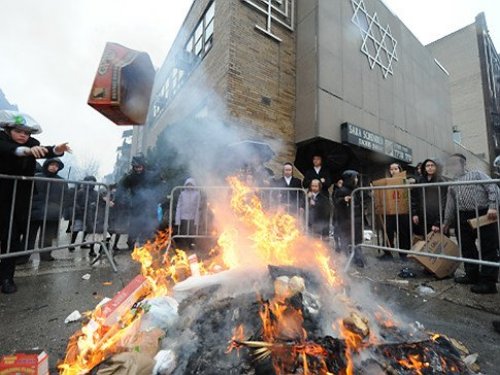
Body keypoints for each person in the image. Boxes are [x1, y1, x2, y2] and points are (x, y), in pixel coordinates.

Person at [0, 110, 70, 294]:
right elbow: (8, 150)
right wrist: (26, 151)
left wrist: (56, 149)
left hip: (21, 200)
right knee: (6, 234)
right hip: (2, 195)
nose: (24, 135)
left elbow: (43, 150)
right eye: (19, 131)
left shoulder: (33, 144)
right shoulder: (2, 140)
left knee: (13, 237)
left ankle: (6, 277)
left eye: (27, 133)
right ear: (8, 130)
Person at [435, 153, 499, 294]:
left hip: (483, 213)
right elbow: (450, 205)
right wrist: (446, 222)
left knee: (488, 247)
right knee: (466, 247)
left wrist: (493, 206)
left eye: (454, 164)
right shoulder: (452, 183)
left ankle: (489, 282)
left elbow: (492, 187)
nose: (452, 167)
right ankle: (472, 274)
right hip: (462, 216)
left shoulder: (477, 175)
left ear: (463, 164)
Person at [26, 158, 67, 262]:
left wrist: (61, 210)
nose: (54, 167)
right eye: (52, 164)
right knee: (29, 236)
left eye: (56, 166)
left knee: (48, 237)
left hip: (52, 213)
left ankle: (45, 256)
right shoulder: (35, 177)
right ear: (47, 165)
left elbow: (65, 197)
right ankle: (23, 256)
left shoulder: (61, 181)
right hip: (34, 212)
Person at [120, 155, 161, 250]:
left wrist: (157, 198)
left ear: (143, 166)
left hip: (150, 207)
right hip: (136, 207)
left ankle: (145, 247)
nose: (138, 169)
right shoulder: (130, 178)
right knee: (134, 228)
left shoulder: (150, 175)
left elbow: (159, 185)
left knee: (148, 229)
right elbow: (121, 188)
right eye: (136, 167)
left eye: (140, 167)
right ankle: (131, 244)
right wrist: (125, 201)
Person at [379, 163, 411, 261]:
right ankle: (388, 253)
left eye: (395, 169)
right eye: (391, 169)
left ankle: (404, 253)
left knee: (403, 232)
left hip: (403, 211)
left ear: (400, 170)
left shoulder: (406, 181)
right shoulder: (386, 182)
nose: (393, 171)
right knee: (388, 231)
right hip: (389, 211)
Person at [333, 170, 365, 267]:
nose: (356, 180)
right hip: (346, 219)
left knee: (357, 239)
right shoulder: (341, 190)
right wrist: (343, 200)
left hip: (357, 218)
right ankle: (346, 258)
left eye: (356, 178)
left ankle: (358, 258)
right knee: (346, 239)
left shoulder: (356, 190)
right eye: (354, 178)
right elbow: (335, 202)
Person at [411, 158, 448, 235]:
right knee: (426, 242)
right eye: (427, 166)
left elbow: (444, 202)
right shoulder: (420, 181)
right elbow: (414, 198)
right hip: (423, 218)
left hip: (436, 218)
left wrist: (438, 222)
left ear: (436, 167)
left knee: (439, 243)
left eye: (432, 165)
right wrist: (414, 214)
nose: (430, 167)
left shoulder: (441, 181)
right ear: (424, 168)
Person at [69, 176, 99, 256]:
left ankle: (88, 247)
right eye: (89, 181)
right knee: (76, 229)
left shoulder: (96, 193)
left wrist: (94, 206)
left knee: (89, 231)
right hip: (80, 214)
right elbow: (75, 201)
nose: (91, 183)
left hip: (90, 215)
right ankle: (71, 244)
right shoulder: (81, 192)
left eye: (93, 182)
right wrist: (79, 209)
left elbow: (97, 203)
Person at [175, 178, 201, 249]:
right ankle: (183, 245)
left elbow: (198, 207)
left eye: (191, 184)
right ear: (186, 185)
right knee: (183, 231)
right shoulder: (182, 194)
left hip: (192, 216)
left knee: (191, 231)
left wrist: (197, 219)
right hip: (183, 216)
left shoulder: (197, 194)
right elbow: (179, 206)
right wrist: (177, 219)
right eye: (188, 184)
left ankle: (191, 245)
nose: (189, 186)